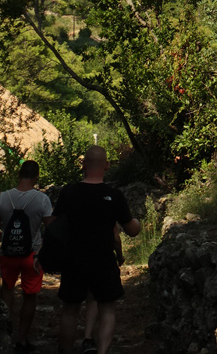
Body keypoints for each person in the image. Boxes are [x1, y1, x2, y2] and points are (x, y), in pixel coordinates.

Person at [54, 145, 140, 354]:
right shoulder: (114, 196)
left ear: (82, 164)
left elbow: (54, 225)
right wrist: (135, 221)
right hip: (103, 261)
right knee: (107, 309)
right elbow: (132, 230)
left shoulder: (69, 192)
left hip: (73, 259)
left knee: (70, 309)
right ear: (107, 166)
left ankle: (66, 350)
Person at [0, 159, 53, 354]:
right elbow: (51, 229)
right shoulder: (42, 200)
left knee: (7, 290)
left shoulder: (2, 198)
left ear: (19, 174)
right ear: (36, 177)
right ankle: (22, 339)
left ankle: (5, 334)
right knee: (29, 296)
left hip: (8, 254)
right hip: (32, 256)